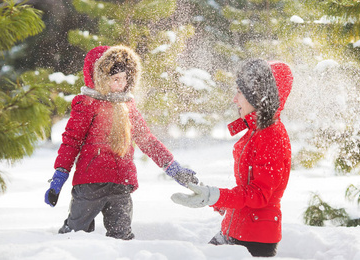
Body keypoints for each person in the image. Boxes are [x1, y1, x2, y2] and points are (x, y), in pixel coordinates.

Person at [44, 45, 198, 240]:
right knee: (75, 235)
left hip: (121, 185)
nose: (122, 84)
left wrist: (173, 168)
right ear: (101, 78)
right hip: (90, 185)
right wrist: (59, 176)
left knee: (122, 237)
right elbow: (71, 142)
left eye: (125, 78)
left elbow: (148, 141)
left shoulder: (128, 107)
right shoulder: (87, 104)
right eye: (116, 79)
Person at [171, 59, 293, 257]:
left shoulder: (271, 137)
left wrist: (216, 195)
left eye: (240, 93)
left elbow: (259, 195)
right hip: (236, 229)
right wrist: (216, 199)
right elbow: (247, 189)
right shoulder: (256, 131)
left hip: (254, 239)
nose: (235, 99)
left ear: (258, 98)